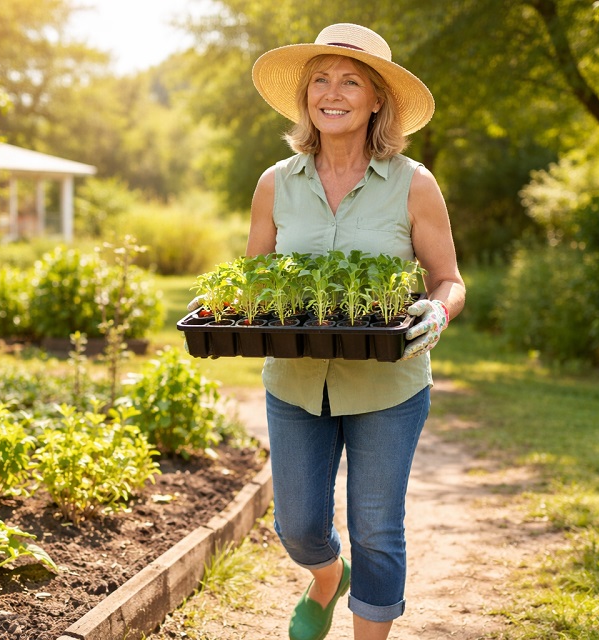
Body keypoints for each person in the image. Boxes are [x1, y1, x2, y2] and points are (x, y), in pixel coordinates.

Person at [246, 23, 466, 640]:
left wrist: (438, 310)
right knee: (297, 525)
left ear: (376, 100)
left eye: (351, 81)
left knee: (377, 529)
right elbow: (254, 279)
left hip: (388, 388)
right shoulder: (275, 184)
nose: (332, 92)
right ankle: (324, 576)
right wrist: (232, 311)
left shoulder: (413, 183)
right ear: (305, 96)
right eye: (320, 79)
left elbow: (449, 278)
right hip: (294, 381)